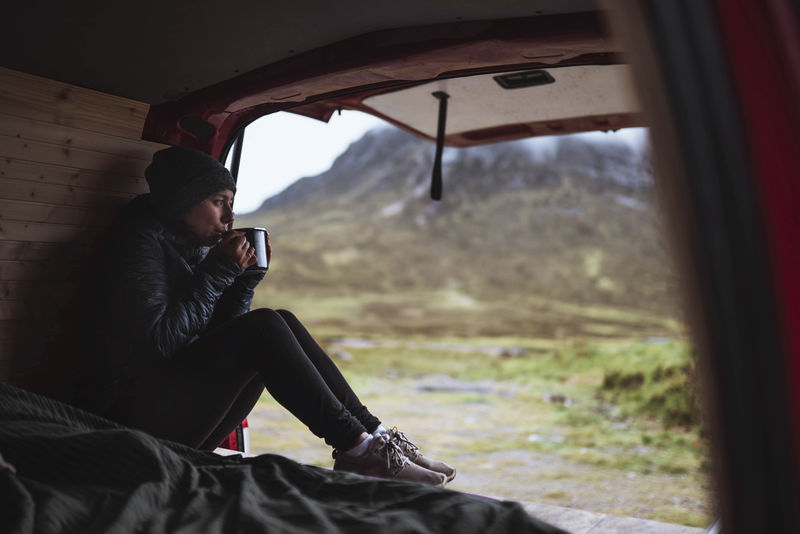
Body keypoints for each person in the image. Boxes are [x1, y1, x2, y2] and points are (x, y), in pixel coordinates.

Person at [73, 146, 455, 486]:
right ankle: (359, 452)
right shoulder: (137, 243)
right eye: (219, 201)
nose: (231, 215)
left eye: (231, 202)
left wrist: (243, 283)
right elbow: (158, 345)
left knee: (278, 319)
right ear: (182, 200)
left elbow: (218, 338)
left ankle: (376, 437)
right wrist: (221, 271)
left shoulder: (191, 245)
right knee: (264, 327)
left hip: (166, 409)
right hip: (127, 420)